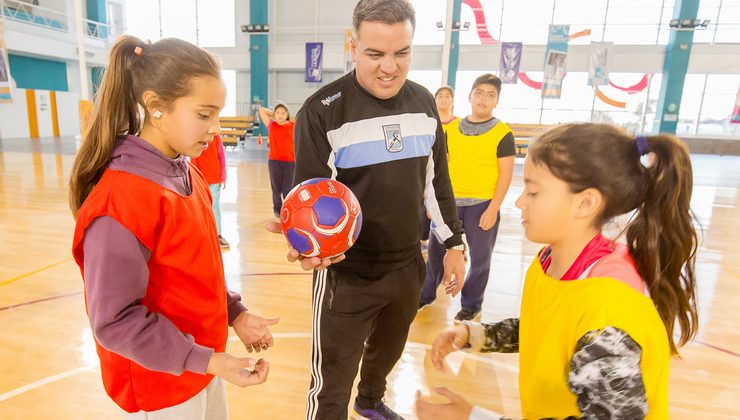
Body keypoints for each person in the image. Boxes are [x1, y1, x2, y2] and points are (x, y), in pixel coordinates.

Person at [415, 123, 699, 419]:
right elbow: (545, 328)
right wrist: (475, 335)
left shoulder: (608, 311)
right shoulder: (550, 261)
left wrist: (473, 417)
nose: (520, 201)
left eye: (534, 192)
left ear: (585, 203)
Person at [267, 1, 466, 418]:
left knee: (387, 354)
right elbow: (310, 197)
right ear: (352, 46)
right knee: (332, 383)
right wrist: (311, 248)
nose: (389, 67)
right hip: (347, 275)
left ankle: (371, 402)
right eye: (375, 53)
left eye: (402, 53)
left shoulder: (425, 103)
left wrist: (453, 244)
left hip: (407, 267)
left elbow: (438, 182)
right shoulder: (321, 112)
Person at [69, 36, 278, 418]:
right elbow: (114, 322)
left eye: (218, 114)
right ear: (155, 106)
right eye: (204, 114)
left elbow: (195, 271)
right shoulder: (121, 200)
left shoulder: (187, 170)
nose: (215, 127)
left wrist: (235, 313)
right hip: (161, 384)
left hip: (199, 365)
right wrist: (206, 360)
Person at [419, 74, 515, 322]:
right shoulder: (451, 130)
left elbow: (505, 176)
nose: (484, 99)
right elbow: (439, 169)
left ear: (497, 100)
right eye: (479, 93)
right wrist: (433, 202)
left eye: (491, 95)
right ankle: (425, 295)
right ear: (470, 96)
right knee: (436, 253)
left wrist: (493, 209)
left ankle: (472, 304)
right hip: (449, 205)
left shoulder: (503, 134)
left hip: (481, 205)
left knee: (480, 260)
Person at [420, 86, 459, 252]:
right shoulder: (427, 122)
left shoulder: (458, 124)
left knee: (442, 212)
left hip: (449, 177)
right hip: (427, 176)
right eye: (440, 96)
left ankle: (451, 247)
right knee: (425, 213)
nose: (443, 99)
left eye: (447, 96)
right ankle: (423, 242)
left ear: (452, 100)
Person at [191, 133, 230, 249]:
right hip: (199, 179)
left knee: (215, 207)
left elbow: (221, 156)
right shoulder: (194, 137)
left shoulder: (216, 137)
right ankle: (201, 234)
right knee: (199, 208)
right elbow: (193, 159)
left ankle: (217, 234)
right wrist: (193, 177)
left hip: (214, 179)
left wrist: (223, 176)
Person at [259, 103, 296, 218]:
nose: (280, 115)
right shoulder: (271, 125)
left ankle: (289, 209)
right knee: (276, 189)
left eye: (283, 113)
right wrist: (274, 115)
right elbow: (261, 110)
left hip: (290, 162)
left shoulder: (293, 125)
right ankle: (277, 210)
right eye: (278, 113)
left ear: (287, 114)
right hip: (274, 161)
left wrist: (282, 116)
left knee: (287, 189)